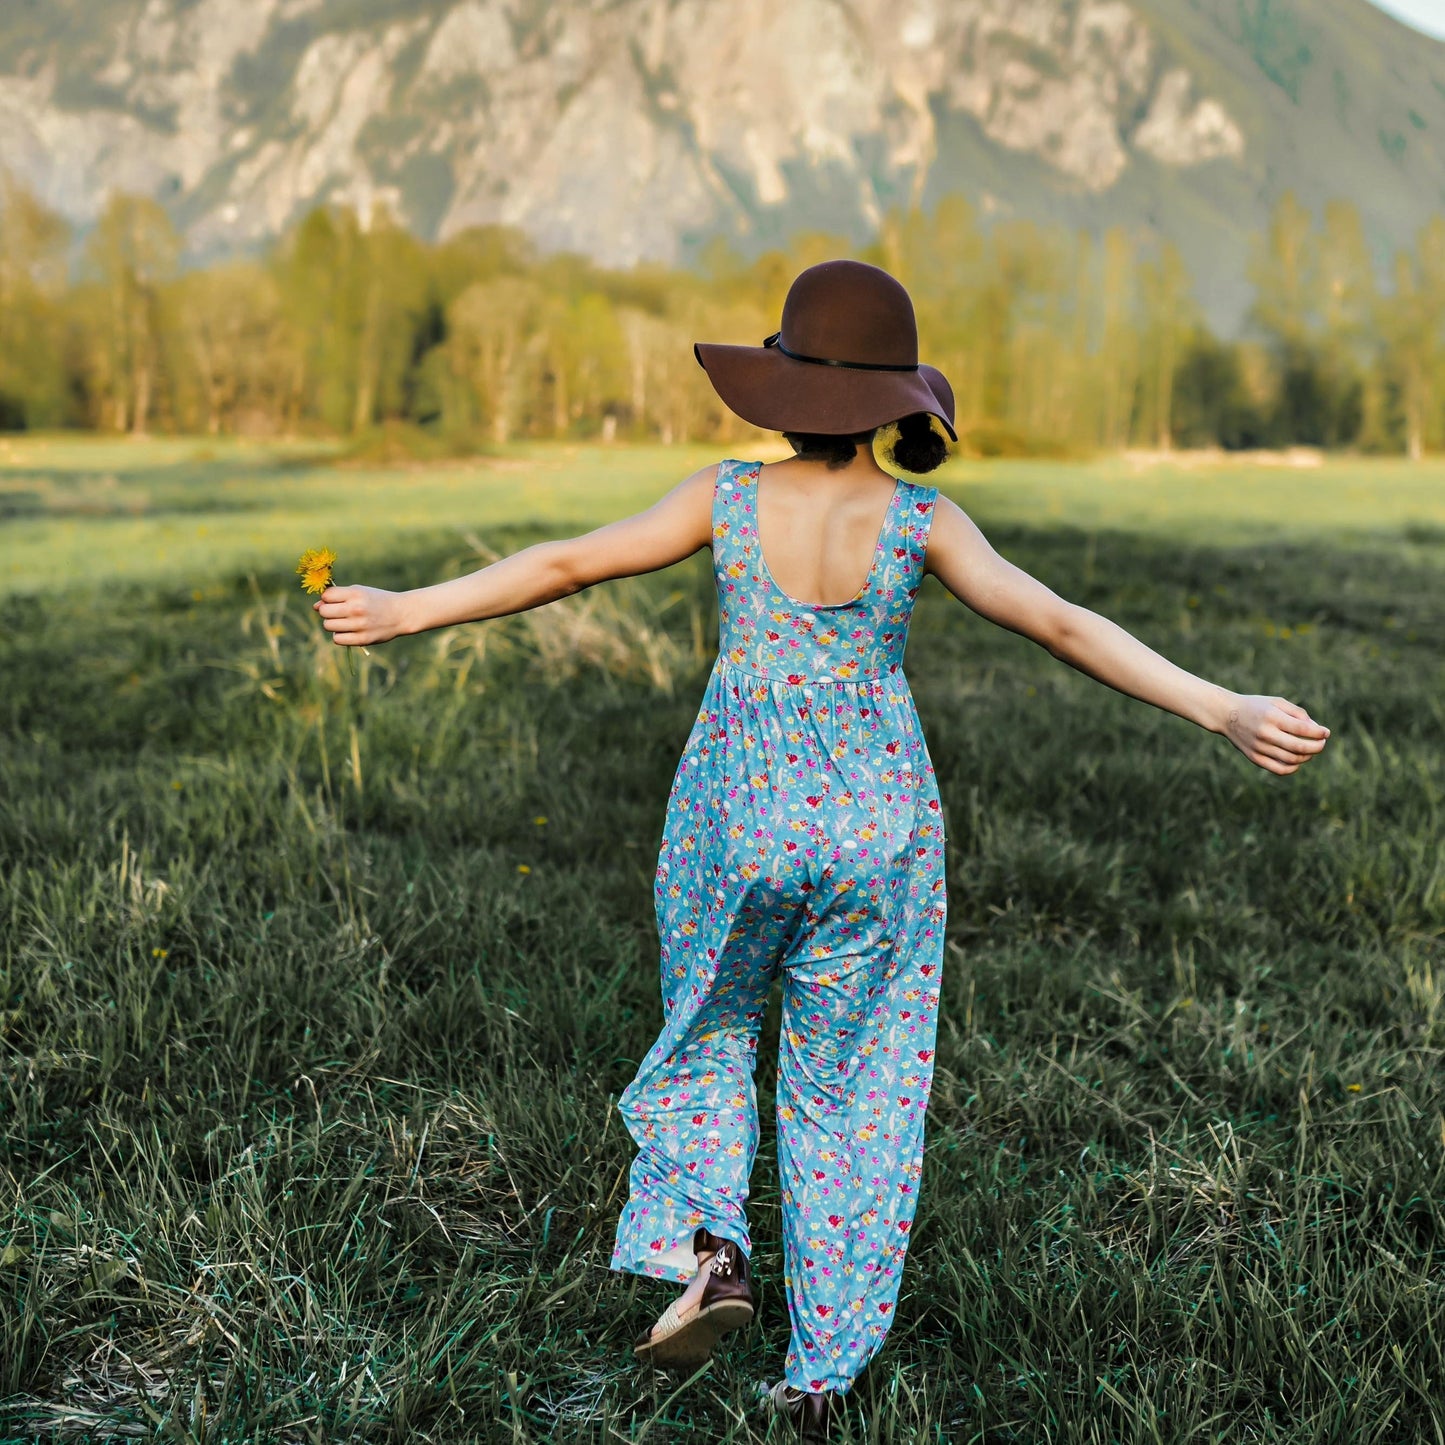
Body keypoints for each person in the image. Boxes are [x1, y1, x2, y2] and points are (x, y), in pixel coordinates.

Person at [311, 260, 1330, 1440]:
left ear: (782, 392)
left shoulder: (726, 499)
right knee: (853, 1081)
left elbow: (565, 562)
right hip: (875, 830)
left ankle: (715, 1250)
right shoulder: (920, 519)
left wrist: (410, 606)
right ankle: (820, 1370)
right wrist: (1221, 705)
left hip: (736, 818)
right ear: (894, 402)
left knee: (708, 1025)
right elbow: (1056, 619)